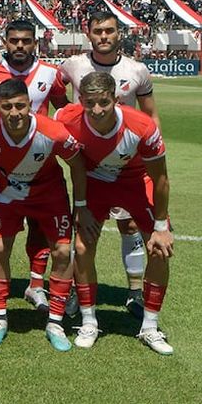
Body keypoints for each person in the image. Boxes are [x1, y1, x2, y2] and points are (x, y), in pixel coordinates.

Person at [55, 72, 174, 355]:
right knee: (82, 247)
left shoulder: (142, 126)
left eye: (104, 103)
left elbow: (161, 179)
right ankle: (88, 321)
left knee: (159, 249)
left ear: (117, 100)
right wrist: (80, 208)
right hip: (96, 183)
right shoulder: (67, 118)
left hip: (136, 181)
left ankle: (150, 327)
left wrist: (160, 225)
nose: (97, 110)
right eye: (90, 103)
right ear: (81, 100)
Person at [59, 10, 159, 318]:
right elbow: (53, 94)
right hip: (89, 166)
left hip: (128, 162)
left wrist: (151, 153)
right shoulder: (72, 65)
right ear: (88, 34)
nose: (104, 36)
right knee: (85, 230)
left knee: (129, 225)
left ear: (119, 34)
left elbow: (150, 114)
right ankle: (78, 292)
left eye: (110, 31)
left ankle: (134, 294)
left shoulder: (137, 70)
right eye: (98, 31)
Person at [0, 78, 86, 351]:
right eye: (7, 107)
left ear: (30, 105)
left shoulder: (54, 132)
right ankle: (0, 317)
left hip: (49, 195)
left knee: (62, 252)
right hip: (8, 194)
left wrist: (81, 206)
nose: (14, 113)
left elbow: (78, 165)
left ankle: (55, 322)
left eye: (20, 106)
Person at [0, 19, 69, 312]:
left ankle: (35, 286)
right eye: (14, 40)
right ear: (5, 42)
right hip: (0, 167)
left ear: (35, 43)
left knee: (40, 230)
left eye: (26, 40)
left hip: (40, 165)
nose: (20, 45)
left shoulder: (50, 74)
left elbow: (63, 109)